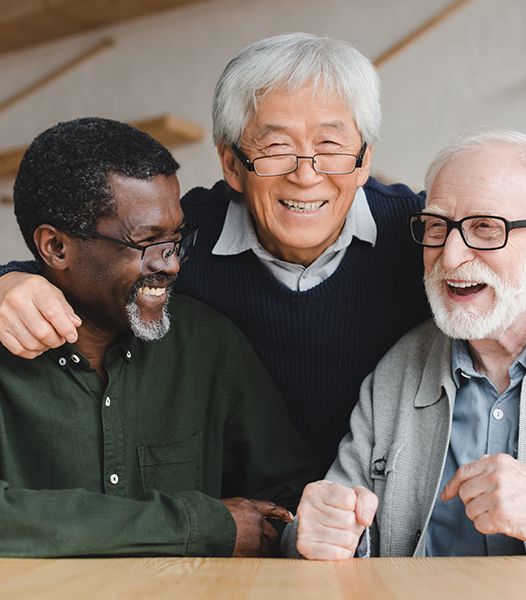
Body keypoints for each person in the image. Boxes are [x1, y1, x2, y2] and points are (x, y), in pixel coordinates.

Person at [1, 34, 526, 472]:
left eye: (332, 146)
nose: (306, 175)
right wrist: (8, 280)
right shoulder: (186, 236)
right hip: (242, 517)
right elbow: (87, 262)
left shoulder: (424, 234)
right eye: (277, 147)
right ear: (232, 163)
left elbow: (516, 253)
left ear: (364, 160)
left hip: (387, 505)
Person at [0, 117, 318, 558]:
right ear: (56, 248)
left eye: (176, 239)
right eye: (148, 242)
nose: (171, 265)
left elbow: (290, 501)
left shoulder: (208, 344)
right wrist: (196, 525)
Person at [288, 129, 526, 576]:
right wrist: (314, 533)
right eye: (438, 226)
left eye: (485, 228)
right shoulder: (398, 368)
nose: (450, 256)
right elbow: (331, 531)